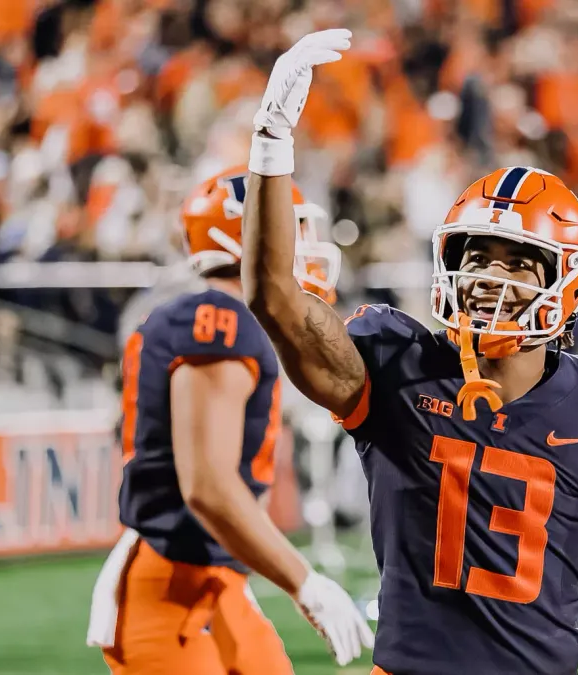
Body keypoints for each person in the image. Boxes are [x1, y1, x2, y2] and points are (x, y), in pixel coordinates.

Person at [241, 29, 578, 675]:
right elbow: (275, 297)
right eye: (476, 256)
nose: (488, 276)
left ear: (565, 282)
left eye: (518, 262)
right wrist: (271, 142)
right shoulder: (395, 364)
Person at [85, 165, 373, 674]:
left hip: (213, 579)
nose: (304, 243)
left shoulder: (215, 318)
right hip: (170, 590)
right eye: (292, 226)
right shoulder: (222, 321)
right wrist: (303, 581)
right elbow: (208, 488)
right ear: (244, 234)